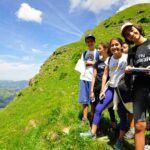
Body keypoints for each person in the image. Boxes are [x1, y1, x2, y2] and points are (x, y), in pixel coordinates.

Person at [80, 38, 128, 141]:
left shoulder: (127, 57)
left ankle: (120, 139)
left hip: (122, 89)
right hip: (111, 88)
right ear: (110, 48)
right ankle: (93, 133)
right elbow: (105, 74)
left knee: (121, 113)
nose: (114, 47)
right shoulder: (110, 60)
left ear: (120, 45)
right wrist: (103, 90)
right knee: (98, 109)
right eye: (112, 45)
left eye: (116, 44)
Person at [121, 22, 150, 150]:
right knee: (139, 126)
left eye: (132, 30)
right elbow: (131, 69)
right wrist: (128, 69)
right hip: (139, 90)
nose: (131, 34)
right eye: (128, 35)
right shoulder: (131, 52)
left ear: (137, 28)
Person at [90, 42, 116, 129]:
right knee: (97, 108)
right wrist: (91, 90)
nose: (98, 50)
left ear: (106, 49)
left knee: (111, 108)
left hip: (107, 88)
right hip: (96, 88)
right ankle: (98, 128)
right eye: (98, 48)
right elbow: (93, 76)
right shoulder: (97, 63)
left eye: (100, 48)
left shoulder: (111, 60)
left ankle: (114, 126)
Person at [78, 34, 99, 125]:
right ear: (86, 43)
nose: (90, 43)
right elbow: (81, 64)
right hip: (83, 78)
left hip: (93, 79)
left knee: (92, 99)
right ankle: (85, 118)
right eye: (88, 42)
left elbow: (99, 64)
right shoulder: (84, 53)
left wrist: (89, 62)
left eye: (91, 41)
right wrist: (87, 63)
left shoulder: (97, 52)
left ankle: (93, 116)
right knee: (84, 99)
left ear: (94, 42)